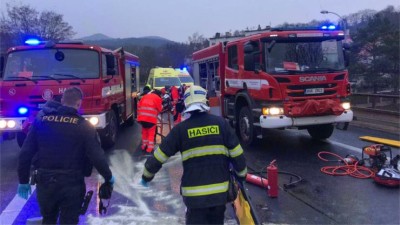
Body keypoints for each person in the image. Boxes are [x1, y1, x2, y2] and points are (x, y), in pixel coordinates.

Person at [141, 85, 247, 225]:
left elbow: (160, 156)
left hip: (194, 197)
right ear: (205, 101)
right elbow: (237, 155)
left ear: (186, 104)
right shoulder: (221, 124)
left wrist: (146, 176)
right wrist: (241, 176)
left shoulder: (181, 130)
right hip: (219, 195)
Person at [17, 87, 115, 225]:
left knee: (48, 219)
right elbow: (97, 156)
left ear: (62, 101)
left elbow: (25, 153)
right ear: (79, 103)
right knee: (69, 221)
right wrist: (108, 177)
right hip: (72, 184)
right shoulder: (84, 126)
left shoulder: (41, 121)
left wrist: (23, 181)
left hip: (45, 182)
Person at [137, 89, 163, 153]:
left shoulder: (145, 96)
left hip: (142, 118)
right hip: (151, 119)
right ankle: (149, 149)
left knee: (144, 132)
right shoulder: (158, 98)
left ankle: (144, 146)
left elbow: (138, 106)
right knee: (151, 134)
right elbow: (160, 109)